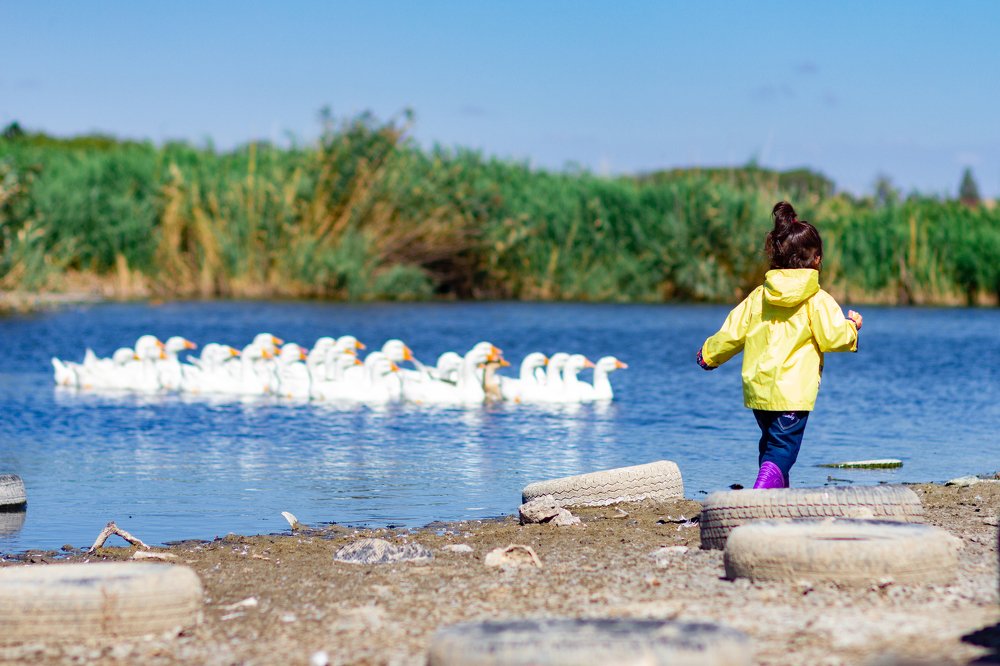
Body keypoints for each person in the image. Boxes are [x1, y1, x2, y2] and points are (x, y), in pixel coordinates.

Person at [696, 201, 862, 489]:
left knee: (771, 445)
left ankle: (776, 497)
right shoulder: (817, 300)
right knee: (783, 448)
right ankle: (763, 490)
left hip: (759, 387)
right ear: (817, 260)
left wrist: (709, 354)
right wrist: (852, 327)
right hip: (793, 392)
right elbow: (833, 337)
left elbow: (732, 332)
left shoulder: (759, 296)